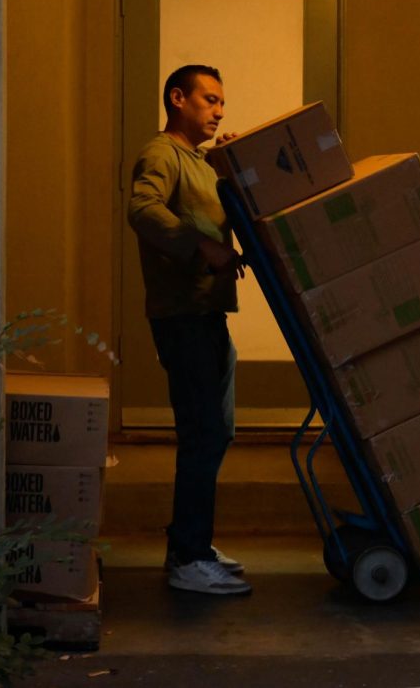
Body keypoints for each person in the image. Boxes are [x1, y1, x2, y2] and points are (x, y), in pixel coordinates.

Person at [127, 64, 250, 596]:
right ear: (178, 99)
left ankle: (190, 541)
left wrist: (232, 162)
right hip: (182, 317)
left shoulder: (199, 162)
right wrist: (201, 247)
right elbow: (142, 210)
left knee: (215, 431)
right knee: (202, 433)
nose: (218, 110)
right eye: (209, 99)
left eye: (222, 101)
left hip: (207, 314)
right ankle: (188, 558)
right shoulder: (162, 154)